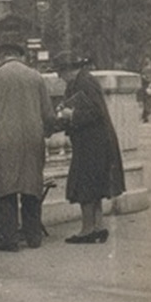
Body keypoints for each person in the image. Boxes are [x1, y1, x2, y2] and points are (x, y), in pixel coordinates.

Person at [0, 42, 55, 251]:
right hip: (32, 139)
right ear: (21, 56)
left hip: (3, 140)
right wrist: (45, 132)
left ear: (2, 56)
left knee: (3, 189)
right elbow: (48, 114)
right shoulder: (36, 77)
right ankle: (33, 236)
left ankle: (9, 238)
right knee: (31, 188)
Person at [52, 52, 125, 243]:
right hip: (96, 141)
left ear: (69, 70)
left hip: (92, 143)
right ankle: (98, 227)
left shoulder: (84, 82)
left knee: (84, 184)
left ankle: (87, 230)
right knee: (95, 185)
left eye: (60, 72)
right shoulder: (83, 81)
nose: (60, 77)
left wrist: (71, 114)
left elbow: (94, 112)